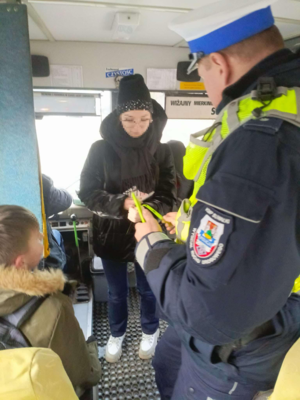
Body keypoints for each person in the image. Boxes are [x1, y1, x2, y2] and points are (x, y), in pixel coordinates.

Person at [134, 1, 300, 399]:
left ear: (218, 64)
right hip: (252, 295)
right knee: (167, 359)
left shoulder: (260, 142)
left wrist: (151, 244)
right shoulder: (278, 107)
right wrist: (186, 226)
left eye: (199, 71)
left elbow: (207, 315)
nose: (205, 86)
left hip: (243, 336)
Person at [79, 74, 176, 363]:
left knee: (149, 289)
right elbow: (88, 191)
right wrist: (123, 206)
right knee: (117, 292)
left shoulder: (162, 149)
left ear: (153, 117)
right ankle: (116, 333)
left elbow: (169, 191)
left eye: (145, 119)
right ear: (118, 117)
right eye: (130, 119)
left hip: (149, 232)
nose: (138, 126)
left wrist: (147, 210)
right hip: (111, 233)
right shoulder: (100, 149)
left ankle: (150, 330)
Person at [0, 205, 102, 397]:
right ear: (21, 263)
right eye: (39, 238)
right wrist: (92, 352)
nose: (43, 235)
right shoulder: (53, 308)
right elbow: (82, 373)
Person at [40, 174, 72, 270]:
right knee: (57, 234)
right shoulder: (34, 176)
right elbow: (66, 200)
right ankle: (64, 275)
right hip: (43, 266)